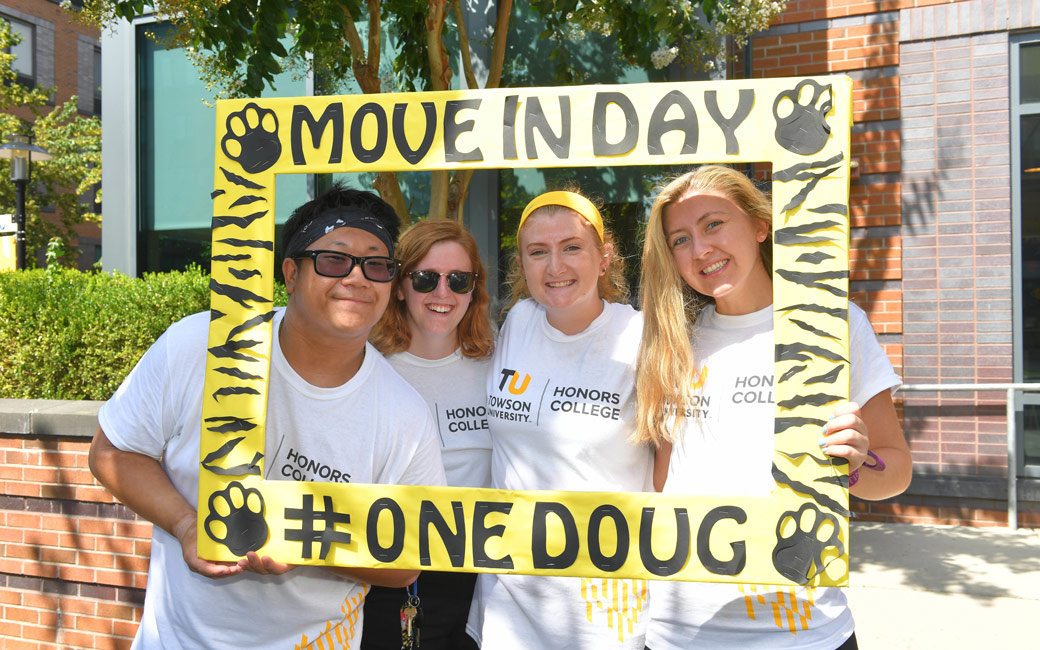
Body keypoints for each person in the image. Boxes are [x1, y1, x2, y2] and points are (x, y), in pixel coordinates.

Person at [88, 184, 446, 649]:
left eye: (377, 265)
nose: (357, 278)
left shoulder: (405, 413)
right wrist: (186, 524)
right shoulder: (200, 346)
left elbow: (407, 562)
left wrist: (311, 545)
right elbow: (112, 451)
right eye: (334, 260)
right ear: (291, 273)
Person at [635, 165, 913, 650]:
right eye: (679, 239)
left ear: (760, 225)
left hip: (803, 631)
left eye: (713, 224)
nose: (699, 250)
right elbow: (664, 481)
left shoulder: (832, 324)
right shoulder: (674, 341)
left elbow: (896, 470)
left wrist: (853, 467)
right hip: (679, 631)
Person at [476, 190, 654, 649]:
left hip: (603, 608)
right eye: (539, 252)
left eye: (572, 247)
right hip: (507, 603)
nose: (555, 267)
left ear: (603, 257)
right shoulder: (518, 320)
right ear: (522, 263)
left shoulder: (641, 338)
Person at [363, 218, 494, 650]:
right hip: (392, 573)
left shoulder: (500, 366)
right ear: (400, 286)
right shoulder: (365, 368)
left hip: (484, 576)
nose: (443, 293)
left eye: (459, 280)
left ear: (474, 288)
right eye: (425, 279)